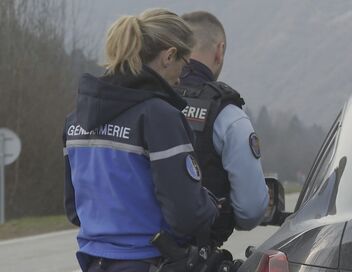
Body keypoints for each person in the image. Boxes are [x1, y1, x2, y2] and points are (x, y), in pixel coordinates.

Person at [63, 8, 219, 272]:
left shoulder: (75, 120)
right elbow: (186, 214)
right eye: (184, 63)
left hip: (93, 261)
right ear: (169, 56)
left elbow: (74, 210)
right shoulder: (160, 116)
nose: (181, 76)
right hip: (147, 260)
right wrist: (212, 207)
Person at [177, 11, 269, 246]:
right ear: (219, 50)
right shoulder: (228, 116)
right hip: (195, 256)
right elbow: (250, 211)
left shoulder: (144, 100)